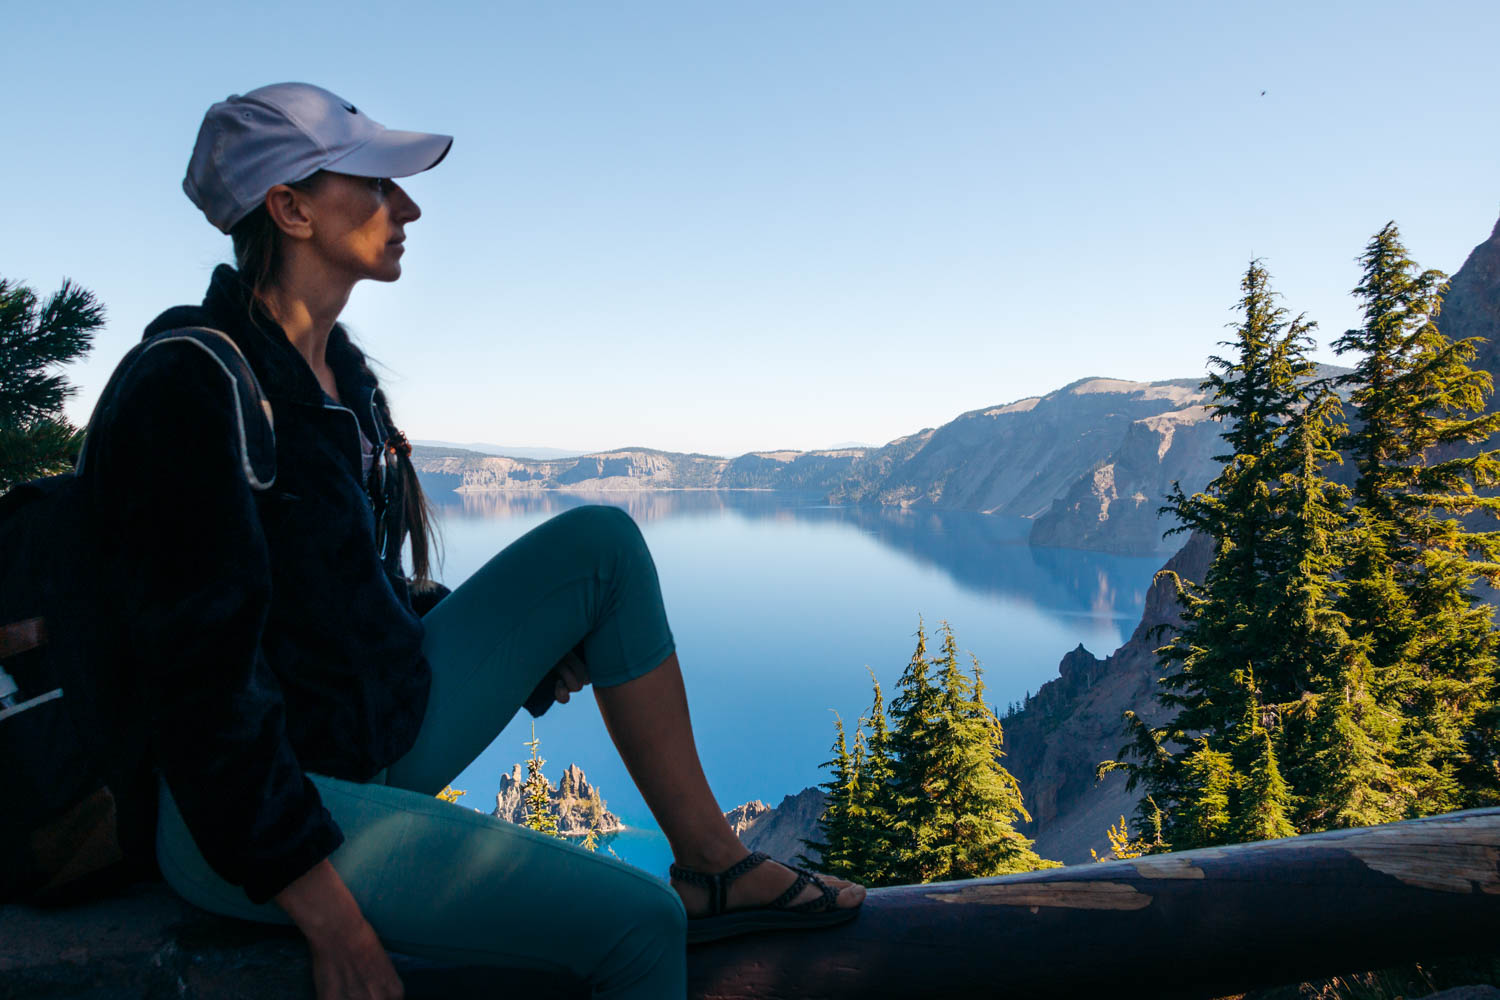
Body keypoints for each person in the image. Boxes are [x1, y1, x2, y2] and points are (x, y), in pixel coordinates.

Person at [85, 82, 864, 999]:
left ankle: (715, 867)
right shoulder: (188, 385)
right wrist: (332, 917)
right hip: (250, 814)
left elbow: (339, 593)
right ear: (290, 208)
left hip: (363, 729)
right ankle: (671, 906)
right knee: (635, 926)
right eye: (375, 183)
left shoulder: (341, 379)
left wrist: (523, 650)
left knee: (602, 545)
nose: (405, 205)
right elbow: (199, 691)